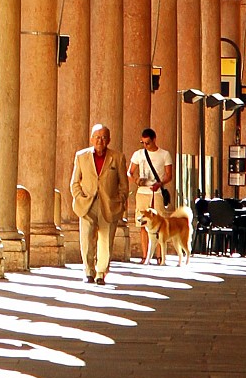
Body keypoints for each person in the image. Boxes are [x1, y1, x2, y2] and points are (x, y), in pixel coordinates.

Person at [69, 121, 126, 284]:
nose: (100, 140)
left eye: (103, 137)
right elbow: (75, 181)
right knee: (86, 238)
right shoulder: (81, 156)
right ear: (91, 139)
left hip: (109, 204)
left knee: (106, 240)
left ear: (108, 140)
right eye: (97, 137)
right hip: (87, 203)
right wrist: (79, 197)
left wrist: (120, 200)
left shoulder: (118, 157)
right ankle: (88, 270)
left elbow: (123, 184)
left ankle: (101, 272)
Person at [127, 125, 174, 264]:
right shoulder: (138, 154)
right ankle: (145, 255)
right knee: (143, 224)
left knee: (159, 224)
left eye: (148, 142)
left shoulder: (164, 154)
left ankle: (159, 256)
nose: (146, 145)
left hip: (157, 192)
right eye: (143, 143)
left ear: (154, 140)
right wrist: (136, 180)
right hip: (142, 192)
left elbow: (169, 175)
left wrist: (160, 183)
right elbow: (129, 171)